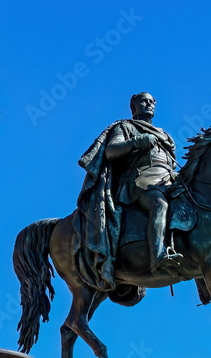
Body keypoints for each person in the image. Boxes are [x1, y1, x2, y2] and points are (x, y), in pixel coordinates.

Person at [75, 92, 181, 288]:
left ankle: (204, 281)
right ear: (134, 107)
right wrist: (136, 142)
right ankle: (157, 257)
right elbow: (111, 151)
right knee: (159, 206)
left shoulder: (165, 136)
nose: (148, 104)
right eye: (143, 101)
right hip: (139, 181)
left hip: (166, 181)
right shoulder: (126, 127)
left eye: (152, 102)